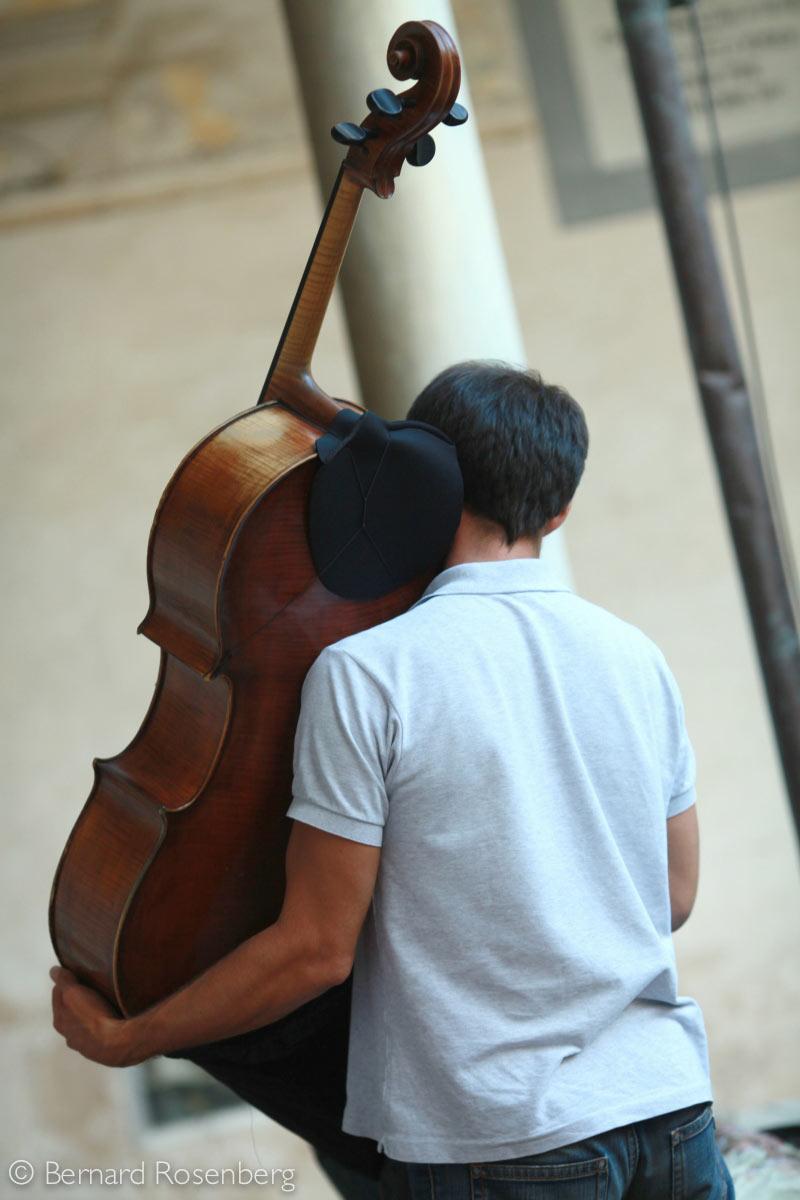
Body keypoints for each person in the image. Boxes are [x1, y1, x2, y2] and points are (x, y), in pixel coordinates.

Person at [51, 361, 735, 1200]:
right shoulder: (636, 656)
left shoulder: (369, 674)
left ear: (424, 478)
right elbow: (674, 894)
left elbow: (316, 950)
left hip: (504, 1142)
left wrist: (132, 1038)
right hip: (673, 1112)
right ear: (559, 510)